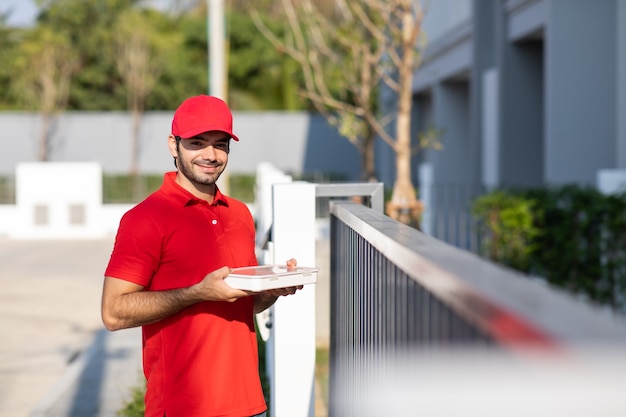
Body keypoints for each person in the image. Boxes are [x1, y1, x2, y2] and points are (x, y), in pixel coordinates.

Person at [101, 95, 302, 417]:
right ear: (173, 145)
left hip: (249, 403)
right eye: (197, 143)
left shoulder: (239, 214)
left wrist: (272, 289)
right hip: (183, 406)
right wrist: (196, 292)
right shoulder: (146, 218)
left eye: (220, 144)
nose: (211, 155)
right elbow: (113, 313)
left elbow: (240, 305)